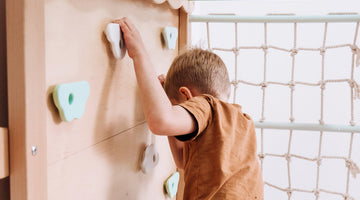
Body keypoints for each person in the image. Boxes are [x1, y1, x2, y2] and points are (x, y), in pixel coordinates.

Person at [114, 18, 264, 200]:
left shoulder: (207, 105)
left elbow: (161, 120)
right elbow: (183, 161)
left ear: (187, 96)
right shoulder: (241, 122)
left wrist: (139, 53)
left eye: (176, 108)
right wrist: (169, 107)